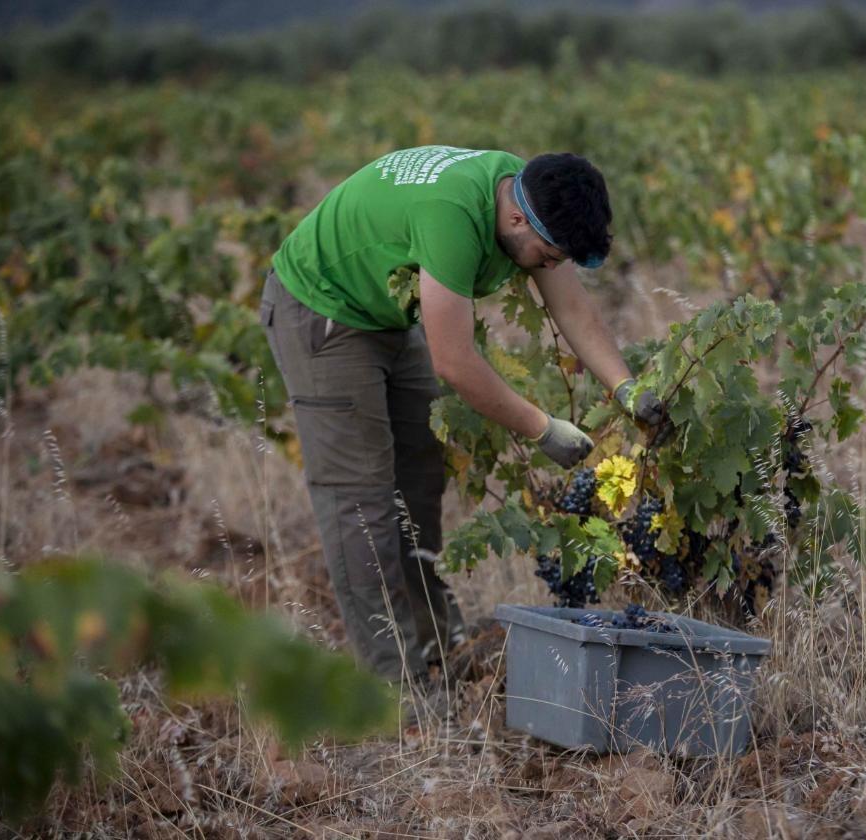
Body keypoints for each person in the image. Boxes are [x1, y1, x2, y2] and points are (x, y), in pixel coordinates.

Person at [260, 145, 663, 683]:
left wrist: (627, 389)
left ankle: (436, 643)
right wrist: (542, 428)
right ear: (517, 218)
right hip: (322, 309)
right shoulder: (453, 218)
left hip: (383, 314)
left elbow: (571, 309)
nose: (551, 266)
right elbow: (453, 361)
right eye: (548, 254)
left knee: (419, 479)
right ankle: (394, 686)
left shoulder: (524, 193)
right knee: (361, 504)